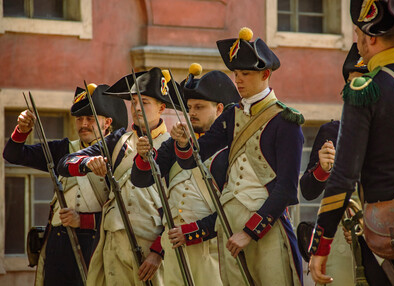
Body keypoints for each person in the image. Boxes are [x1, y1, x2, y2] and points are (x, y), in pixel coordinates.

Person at [170, 27, 304, 285]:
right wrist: (185, 142)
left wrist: (250, 232)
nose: (238, 80)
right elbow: (194, 157)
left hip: (265, 225)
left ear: (265, 74)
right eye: (236, 73)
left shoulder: (286, 120)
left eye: (245, 73)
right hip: (228, 222)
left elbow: (286, 189)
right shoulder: (232, 115)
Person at [308, 0, 394, 285]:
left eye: (358, 34)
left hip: (391, 239)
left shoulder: (366, 89)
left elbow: (343, 177)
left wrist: (322, 243)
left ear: (370, 37)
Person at [57, 67, 179, 286]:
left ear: (161, 107)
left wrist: (158, 252)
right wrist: (87, 163)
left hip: (150, 248)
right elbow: (65, 164)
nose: (137, 108)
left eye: (145, 102)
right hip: (112, 243)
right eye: (133, 101)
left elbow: (178, 209)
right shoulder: (117, 141)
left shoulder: (174, 149)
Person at [2, 84, 127, 286]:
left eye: (90, 119)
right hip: (58, 243)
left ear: (107, 123)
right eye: (79, 119)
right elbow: (13, 154)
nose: (83, 124)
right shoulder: (64, 149)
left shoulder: (119, 155)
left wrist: (83, 221)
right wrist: (22, 130)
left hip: (96, 244)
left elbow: (124, 211)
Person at [132, 66, 240, 285]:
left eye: (199, 107)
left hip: (212, 249)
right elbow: (142, 179)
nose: (191, 113)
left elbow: (234, 208)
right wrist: (144, 155)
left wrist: (193, 232)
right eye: (189, 107)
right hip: (174, 248)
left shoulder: (231, 149)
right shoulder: (174, 144)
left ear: (219, 109)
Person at [298, 43, 368, 286]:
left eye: (362, 81)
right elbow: (308, 190)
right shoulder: (331, 131)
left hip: (380, 233)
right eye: (351, 81)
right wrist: (322, 169)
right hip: (336, 234)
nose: (354, 88)